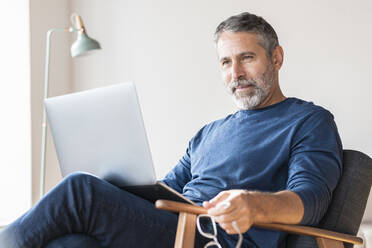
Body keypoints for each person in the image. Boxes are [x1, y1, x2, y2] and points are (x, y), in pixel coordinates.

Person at [0, 12, 342, 248]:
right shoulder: (208, 133)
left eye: (247, 58)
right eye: (225, 62)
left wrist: (253, 203)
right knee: (72, 243)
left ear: (277, 58)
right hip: (175, 227)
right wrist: (119, 184)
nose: (235, 72)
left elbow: (309, 200)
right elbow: (165, 193)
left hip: (218, 239)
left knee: (80, 191)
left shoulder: (309, 121)